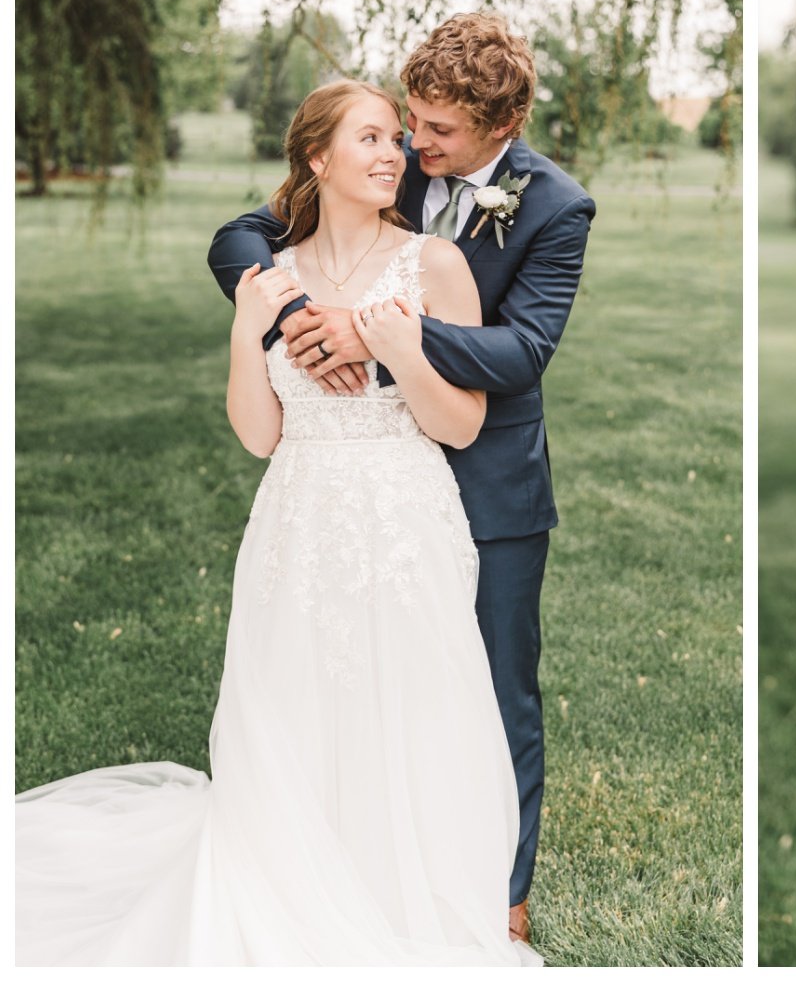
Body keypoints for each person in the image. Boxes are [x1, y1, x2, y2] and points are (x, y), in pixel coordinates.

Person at [16, 80, 540, 965]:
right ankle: (295, 877)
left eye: (396, 141)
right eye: (369, 138)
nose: (393, 154)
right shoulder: (274, 275)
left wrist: (401, 348)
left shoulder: (435, 265)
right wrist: (247, 330)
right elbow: (260, 434)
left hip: (407, 517)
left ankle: (404, 888)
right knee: (297, 702)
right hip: (298, 518)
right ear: (315, 158)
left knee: (410, 703)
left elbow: (460, 425)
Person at [207, 13, 593, 944]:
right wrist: (296, 314)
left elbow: (525, 349)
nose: (414, 148)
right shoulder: (389, 154)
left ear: (500, 128)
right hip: (334, 482)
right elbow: (241, 236)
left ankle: (494, 890)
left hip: (485, 475)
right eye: (405, 125)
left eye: (436, 134)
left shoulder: (553, 206)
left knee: (495, 686)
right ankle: (334, 852)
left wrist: (384, 337)